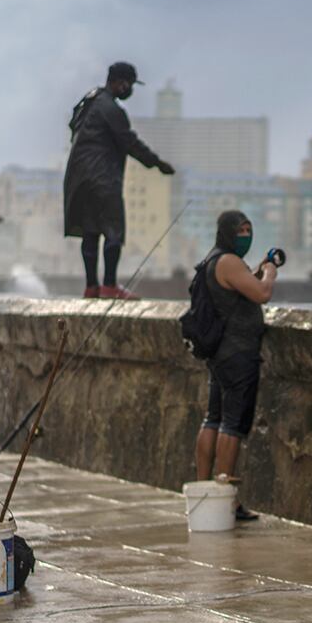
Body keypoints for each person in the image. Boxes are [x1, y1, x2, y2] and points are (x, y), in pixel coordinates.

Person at [64, 62, 175, 299]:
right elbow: (129, 142)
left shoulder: (90, 101)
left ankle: (91, 287)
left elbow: (72, 126)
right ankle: (110, 286)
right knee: (113, 231)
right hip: (102, 178)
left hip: (79, 177)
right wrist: (157, 163)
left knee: (90, 232)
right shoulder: (111, 109)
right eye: (130, 84)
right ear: (120, 82)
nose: (130, 90)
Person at [193, 210, 277, 522]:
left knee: (213, 419)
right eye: (241, 230)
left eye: (249, 229)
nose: (246, 235)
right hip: (237, 354)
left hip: (219, 354)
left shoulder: (214, 260)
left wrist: (255, 271)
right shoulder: (228, 261)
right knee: (231, 424)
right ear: (227, 232)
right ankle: (225, 498)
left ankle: (205, 490)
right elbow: (262, 293)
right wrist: (269, 272)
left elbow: (239, 290)